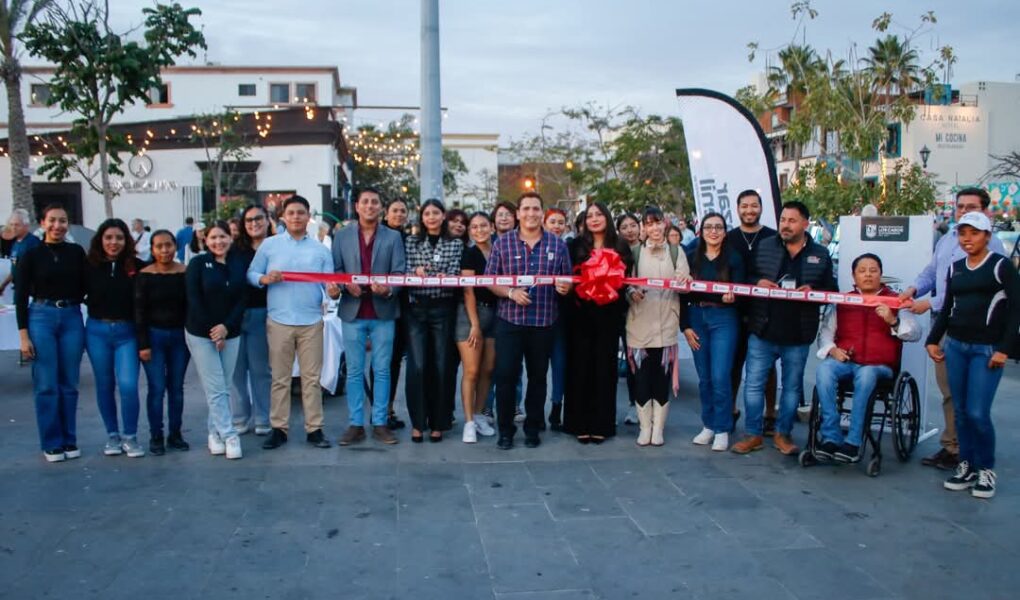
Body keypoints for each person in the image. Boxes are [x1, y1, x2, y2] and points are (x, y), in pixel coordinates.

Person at [899, 188, 1008, 471]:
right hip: (948, 327)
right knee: (951, 393)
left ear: (986, 212)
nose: (964, 211)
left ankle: (975, 460)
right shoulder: (948, 239)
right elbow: (933, 274)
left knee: (975, 406)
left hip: (981, 334)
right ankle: (955, 448)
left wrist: (928, 303)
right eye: (960, 206)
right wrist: (914, 289)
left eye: (971, 207)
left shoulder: (994, 247)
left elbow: (975, 292)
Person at [926, 212, 1018, 499]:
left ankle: (986, 469)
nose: (967, 239)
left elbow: (1015, 310)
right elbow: (947, 307)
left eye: (974, 233)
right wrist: (932, 340)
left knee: (978, 413)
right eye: (963, 233)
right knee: (962, 412)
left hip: (986, 350)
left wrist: (1004, 349)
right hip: (956, 346)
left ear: (987, 236)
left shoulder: (1001, 266)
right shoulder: (956, 268)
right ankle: (966, 465)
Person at [733, 201, 836, 455]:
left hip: (798, 333)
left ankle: (783, 434)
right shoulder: (765, 246)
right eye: (782, 220)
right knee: (753, 384)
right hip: (763, 329)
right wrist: (758, 282)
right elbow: (745, 278)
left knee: (792, 388)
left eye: (791, 221)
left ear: (805, 224)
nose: (785, 225)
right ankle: (753, 434)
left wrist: (814, 290)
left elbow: (831, 290)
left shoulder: (821, 254)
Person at [814, 253, 920, 463]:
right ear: (854, 276)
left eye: (873, 270)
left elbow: (915, 333)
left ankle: (854, 442)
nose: (868, 275)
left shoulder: (895, 301)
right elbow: (825, 334)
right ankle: (831, 436)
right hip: (848, 362)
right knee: (824, 370)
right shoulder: (843, 301)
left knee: (866, 374)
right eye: (862, 271)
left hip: (879, 366)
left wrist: (893, 321)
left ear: (881, 274)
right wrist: (832, 350)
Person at [248, 195, 336, 450]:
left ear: (309, 217)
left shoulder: (321, 250)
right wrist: (265, 279)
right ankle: (279, 429)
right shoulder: (270, 245)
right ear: (283, 217)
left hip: (311, 321)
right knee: (280, 378)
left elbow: (329, 284)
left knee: (311, 379)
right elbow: (251, 273)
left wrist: (334, 291)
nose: (296, 217)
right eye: (291, 213)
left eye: (301, 213)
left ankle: (314, 429)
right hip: (279, 320)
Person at [486, 192, 572, 449]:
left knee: (538, 378)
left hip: (543, 322)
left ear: (542, 213)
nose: (531, 213)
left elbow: (567, 279)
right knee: (505, 377)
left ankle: (533, 428)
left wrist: (565, 287)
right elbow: (490, 280)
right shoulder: (502, 244)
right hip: (509, 321)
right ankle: (505, 431)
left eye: (536, 208)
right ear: (518, 213)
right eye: (526, 209)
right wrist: (510, 292)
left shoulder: (558, 245)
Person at [332, 187, 404, 446]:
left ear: (381, 207)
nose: (370, 206)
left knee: (382, 370)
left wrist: (388, 289)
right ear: (357, 206)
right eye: (365, 202)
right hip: (352, 312)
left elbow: (399, 272)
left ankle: (380, 422)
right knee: (354, 371)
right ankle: (355, 424)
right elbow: (336, 269)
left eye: (375, 202)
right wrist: (344, 284)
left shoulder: (393, 237)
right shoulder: (341, 236)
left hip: (383, 312)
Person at [16, 205, 87, 463]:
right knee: (46, 384)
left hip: (71, 316)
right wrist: (23, 336)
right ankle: (52, 442)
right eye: (53, 220)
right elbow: (20, 295)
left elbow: (88, 285)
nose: (58, 226)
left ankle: (69, 438)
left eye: (63, 221)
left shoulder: (76, 252)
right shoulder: (31, 254)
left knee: (69, 383)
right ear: (43, 223)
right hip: (41, 317)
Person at [564, 203, 632, 444]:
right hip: (580, 313)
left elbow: (627, 280)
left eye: (599, 215)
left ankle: (602, 423)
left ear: (607, 218)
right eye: (589, 216)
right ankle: (579, 424)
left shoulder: (620, 245)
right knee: (580, 367)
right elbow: (567, 277)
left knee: (605, 368)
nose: (594, 219)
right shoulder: (575, 245)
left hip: (609, 315)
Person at [627, 206, 690, 447]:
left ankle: (658, 429)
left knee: (661, 379)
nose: (654, 228)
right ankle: (645, 428)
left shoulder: (676, 251)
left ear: (665, 223)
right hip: (640, 324)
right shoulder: (635, 253)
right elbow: (627, 283)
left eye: (657, 222)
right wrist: (632, 293)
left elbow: (684, 280)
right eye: (649, 224)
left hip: (666, 325)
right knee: (642, 379)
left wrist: (684, 280)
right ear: (644, 227)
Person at [682, 212, 744, 451]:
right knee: (705, 377)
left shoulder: (734, 258)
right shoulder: (691, 257)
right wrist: (685, 326)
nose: (713, 232)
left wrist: (733, 298)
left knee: (720, 375)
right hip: (697, 317)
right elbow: (682, 293)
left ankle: (722, 428)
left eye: (718, 227)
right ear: (701, 231)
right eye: (709, 227)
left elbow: (742, 293)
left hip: (723, 319)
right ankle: (708, 424)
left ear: (725, 232)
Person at [403, 199, 463, 442]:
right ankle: (418, 422)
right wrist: (414, 273)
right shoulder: (411, 241)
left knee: (441, 365)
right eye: (427, 213)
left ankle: (439, 422)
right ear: (422, 217)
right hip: (416, 308)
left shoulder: (455, 243)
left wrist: (444, 276)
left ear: (443, 215)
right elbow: (406, 271)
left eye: (435, 213)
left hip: (442, 307)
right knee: (417, 366)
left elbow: (455, 272)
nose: (431, 217)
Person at [185, 221, 247, 459]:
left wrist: (226, 328)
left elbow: (242, 299)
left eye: (222, 236)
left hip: (231, 332)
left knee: (223, 386)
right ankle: (230, 435)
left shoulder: (238, 263)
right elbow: (194, 299)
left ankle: (214, 433)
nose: (218, 242)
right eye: (213, 237)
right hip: (201, 333)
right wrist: (214, 331)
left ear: (230, 238)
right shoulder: (198, 264)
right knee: (216, 388)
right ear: (205, 240)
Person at [84, 219, 143, 457]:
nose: (113, 242)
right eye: (108, 237)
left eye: (119, 238)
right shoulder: (88, 266)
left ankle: (130, 436)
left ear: (126, 240)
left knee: (128, 385)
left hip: (127, 333)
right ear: (100, 240)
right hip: (97, 331)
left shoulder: (137, 266)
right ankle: (112, 436)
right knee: (105, 385)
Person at [725, 190, 778, 433]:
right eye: (744, 206)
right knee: (734, 363)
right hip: (734, 310)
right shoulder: (728, 238)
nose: (749, 210)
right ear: (737, 209)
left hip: (766, 311)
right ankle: (731, 409)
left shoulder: (773, 237)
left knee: (767, 365)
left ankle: (770, 413)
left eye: (754, 205)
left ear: (761, 208)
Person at [135, 230, 190, 455]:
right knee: (156, 388)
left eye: (168, 245)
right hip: (153, 337)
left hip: (180, 338)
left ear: (175, 246)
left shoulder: (185, 273)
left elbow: (191, 306)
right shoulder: (144, 275)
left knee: (176, 388)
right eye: (159, 246)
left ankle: (175, 433)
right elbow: (139, 312)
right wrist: (143, 344)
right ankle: (156, 435)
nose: (164, 250)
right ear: (152, 249)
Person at [230, 205, 274, 436]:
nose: (254, 223)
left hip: (264, 313)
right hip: (236, 315)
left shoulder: (277, 246)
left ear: (268, 219)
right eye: (248, 220)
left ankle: (263, 418)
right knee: (236, 372)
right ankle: (239, 417)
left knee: (261, 370)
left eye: (258, 218)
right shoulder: (235, 249)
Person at [456, 211, 499, 443]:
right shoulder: (469, 253)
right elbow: (468, 290)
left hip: (496, 313)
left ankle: (480, 414)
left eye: (483, 225)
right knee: (471, 370)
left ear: (491, 227)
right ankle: (469, 422)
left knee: (488, 369)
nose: (479, 230)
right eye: (474, 227)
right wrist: (474, 324)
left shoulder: (499, 250)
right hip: (471, 315)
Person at [383, 198, 410, 430]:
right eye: (395, 210)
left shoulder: (408, 239)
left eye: (403, 211)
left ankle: (388, 409)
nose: (399, 214)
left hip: (406, 307)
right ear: (386, 213)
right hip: (383, 304)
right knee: (383, 361)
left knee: (395, 361)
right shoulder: (380, 236)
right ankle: (381, 410)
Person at [616, 212, 642, 426]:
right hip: (617, 309)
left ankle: (637, 404)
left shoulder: (648, 249)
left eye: (633, 225)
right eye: (624, 227)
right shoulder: (615, 251)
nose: (629, 230)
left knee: (635, 360)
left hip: (641, 312)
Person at [543, 208, 569, 430]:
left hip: (560, 316)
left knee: (559, 364)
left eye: (561, 222)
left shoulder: (565, 247)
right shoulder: (534, 245)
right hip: (535, 315)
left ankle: (556, 407)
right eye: (552, 222)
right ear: (544, 223)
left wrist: (566, 287)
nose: (557, 226)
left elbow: (569, 278)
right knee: (537, 369)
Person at [0, 209, 41, 297]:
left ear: (26, 226)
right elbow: (15, 268)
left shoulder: (33, 243)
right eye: (11, 224)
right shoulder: (15, 244)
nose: (13, 228)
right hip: (18, 289)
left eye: (17, 225)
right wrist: (3, 285)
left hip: (31, 292)